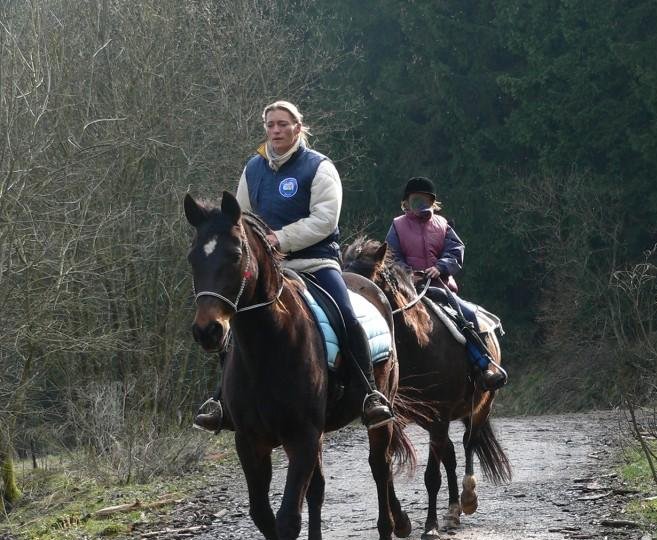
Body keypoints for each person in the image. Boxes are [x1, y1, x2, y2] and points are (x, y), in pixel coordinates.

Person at [194, 100, 393, 431]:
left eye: (283, 124)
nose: (275, 130)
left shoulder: (319, 167)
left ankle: (369, 393)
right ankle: (221, 400)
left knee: (344, 312)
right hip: (268, 268)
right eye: (270, 124)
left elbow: (325, 220)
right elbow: (238, 220)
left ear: (298, 128)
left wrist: (279, 240)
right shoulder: (253, 168)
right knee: (234, 316)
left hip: (315, 263)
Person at [385, 177, 507, 391]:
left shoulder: (443, 225)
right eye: (416, 201)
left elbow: (455, 251)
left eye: (426, 201)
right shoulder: (397, 226)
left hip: (440, 287)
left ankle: (484, 366)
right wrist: (407, 274)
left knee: (468, 317)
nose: (421, 206)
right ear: (406, 203)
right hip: (408, 291)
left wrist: (440, 267)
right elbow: (391, 256)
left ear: (433, 202)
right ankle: (381, 381)